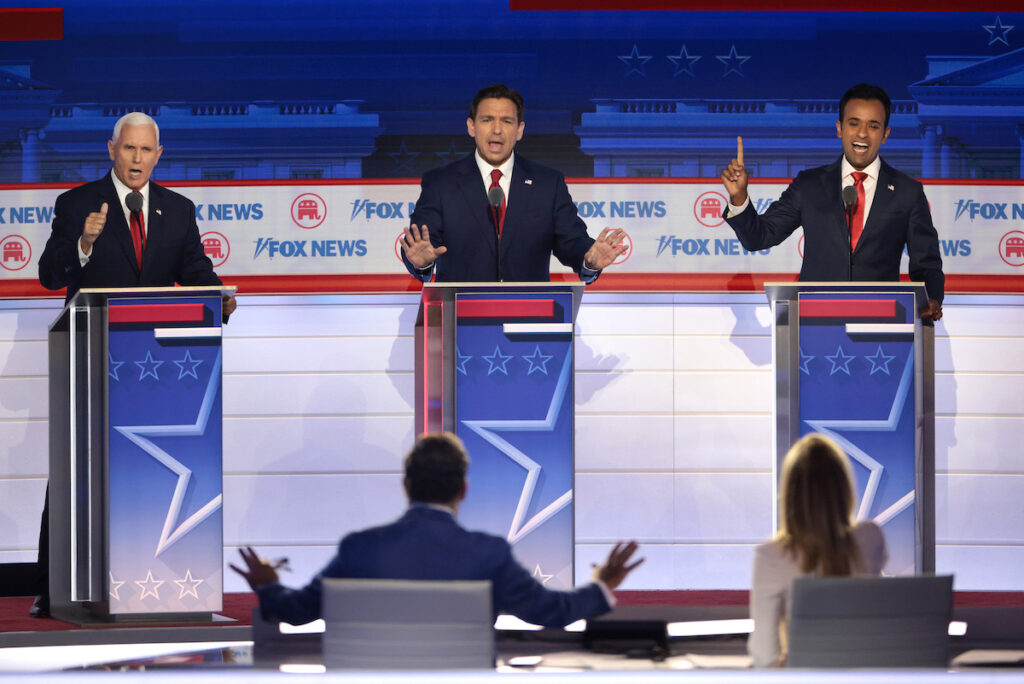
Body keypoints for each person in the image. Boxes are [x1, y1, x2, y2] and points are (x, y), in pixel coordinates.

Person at [32, 112, 237, 617]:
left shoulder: (178, 210)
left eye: (147, 151)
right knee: (75, 468)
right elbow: (48, 276)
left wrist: (218, 300)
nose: (137, 159)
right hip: (91, 359)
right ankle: (51, 586)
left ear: (158, 155)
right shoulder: (77, 204)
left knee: (148, 471)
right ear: (112, 149)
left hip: (157, 369)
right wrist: (82, 243)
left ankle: (155, 579)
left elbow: (196, 274)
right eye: (129, 150)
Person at [232, 432, 643, 627]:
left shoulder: (360, 549)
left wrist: (267, 584)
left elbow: (298, 612)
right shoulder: (489, 554)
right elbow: (552, 613)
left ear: (406, 485)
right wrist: (602, 585)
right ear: (463, 489)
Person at [721, 83, 944, 322]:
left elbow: (926, 263)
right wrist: (739, 197)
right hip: (815, 323)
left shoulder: (907, 192)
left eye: (873, 126)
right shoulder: (809, 185)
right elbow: (759, 237)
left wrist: (931, 299)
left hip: (882, 326)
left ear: (886, 134)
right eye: (854, 123)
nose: (862, 133)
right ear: (839, 128)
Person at [400, 84, 627, 282]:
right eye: (487, 120)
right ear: (471, 127)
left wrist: (589, 260)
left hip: (529, 318)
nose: (497, 129)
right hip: (460, 317)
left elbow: (572, 242)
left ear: (519, 130)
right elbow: (422, 244)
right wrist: (422, 264)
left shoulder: (547, 184)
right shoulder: (441, 183)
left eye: (506, 121)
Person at [747, 433, 888, 667]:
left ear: (790, 495)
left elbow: (764, 653)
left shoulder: (771, 555)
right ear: (843, 489)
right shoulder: (871, 538)